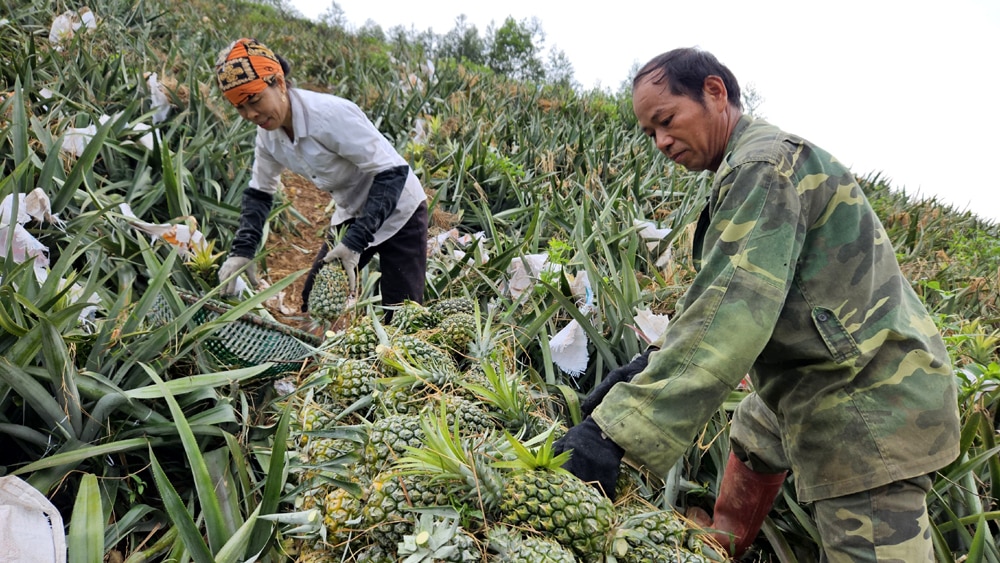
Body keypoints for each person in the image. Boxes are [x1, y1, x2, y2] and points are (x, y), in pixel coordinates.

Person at [554, 47, 960, 561]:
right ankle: (721, 546)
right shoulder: (752, 161)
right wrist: (645, 364)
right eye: (650, 132)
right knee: (756, 430)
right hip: (820, 368)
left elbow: (730, 315)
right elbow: (726, 291)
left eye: (666, 120)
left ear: (714, 92)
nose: (660, 141)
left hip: (867, 400)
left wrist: (611, 433)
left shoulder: (762, 167)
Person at [213, 38, 428, 312]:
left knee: (401, 312)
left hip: (400, 210)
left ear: (278, 83)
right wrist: (242, 250)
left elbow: (393, 171)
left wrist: (355, 241)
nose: (251, 114)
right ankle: (312, 354)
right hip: (351, 211)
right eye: (240, 108)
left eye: (255, 100)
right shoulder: (267, 136)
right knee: (315, 301)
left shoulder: (329, 115)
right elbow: (260, 192)